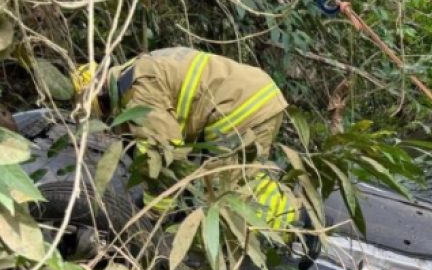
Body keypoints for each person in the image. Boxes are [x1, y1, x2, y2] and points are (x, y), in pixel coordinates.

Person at [71, 47, 295, 228]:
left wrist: (156, 210)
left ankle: (292, 226)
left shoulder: (137, 91)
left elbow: (163, 151)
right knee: (243, 178)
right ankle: (292, 216)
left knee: (223, 195)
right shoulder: (138, 70)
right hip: (252, 97)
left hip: (240, 108)